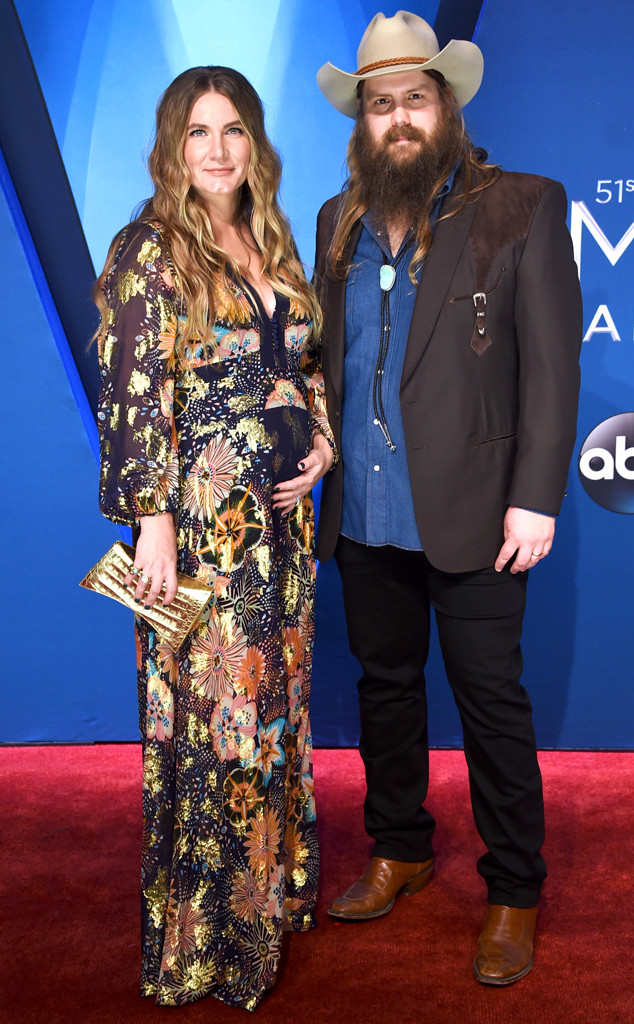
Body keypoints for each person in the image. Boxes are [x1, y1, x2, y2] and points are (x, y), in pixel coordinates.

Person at [314, 11, 582, 985]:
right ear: (362, 122)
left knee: (490, 704)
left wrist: (536, 498)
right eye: (378, 104)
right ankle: (401, 847)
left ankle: (513, 888)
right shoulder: (334, 218)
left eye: (413, 99)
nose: (397, 118)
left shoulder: (521, 205)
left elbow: (554, 368)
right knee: (384, 691)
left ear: (447, 105)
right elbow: (329, 365)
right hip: (366, 511)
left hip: (478, 511)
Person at [94, 66, 335, 1010]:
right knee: (216, 727)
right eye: (198, 132)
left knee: (276, 713)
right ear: (171, 146)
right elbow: (130, 392)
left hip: (286, 530)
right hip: (203, 537)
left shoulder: (270, 237)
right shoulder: (147, 248)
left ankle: (271, 898)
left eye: (233, 129)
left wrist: (319, 443)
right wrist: (151, 524)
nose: (218, 149)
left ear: (256, 141)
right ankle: (213, 944)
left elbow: (304, 365)